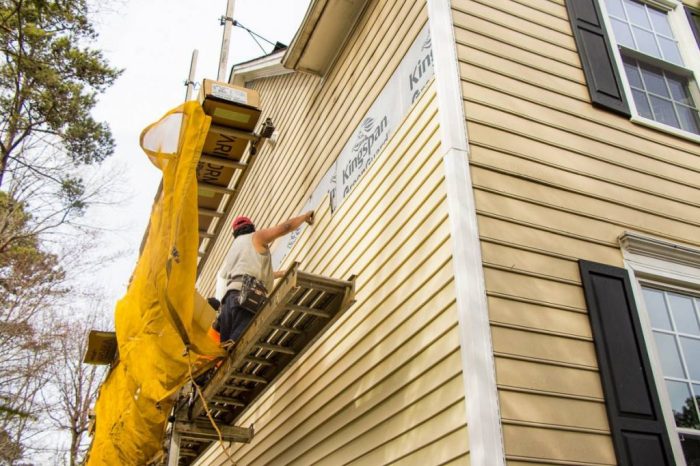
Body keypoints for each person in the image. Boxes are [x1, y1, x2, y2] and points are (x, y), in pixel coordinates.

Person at [214, 211, 315, 349]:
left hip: (227, 303)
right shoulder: (255, 237)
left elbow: (245, 273)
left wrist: (279, 274)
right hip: (245, 299)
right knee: (240, 344)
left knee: (225, 352)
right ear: (251, 227)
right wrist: (304, 216)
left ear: (235, 234)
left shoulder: (234, 249)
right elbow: (285, 227)